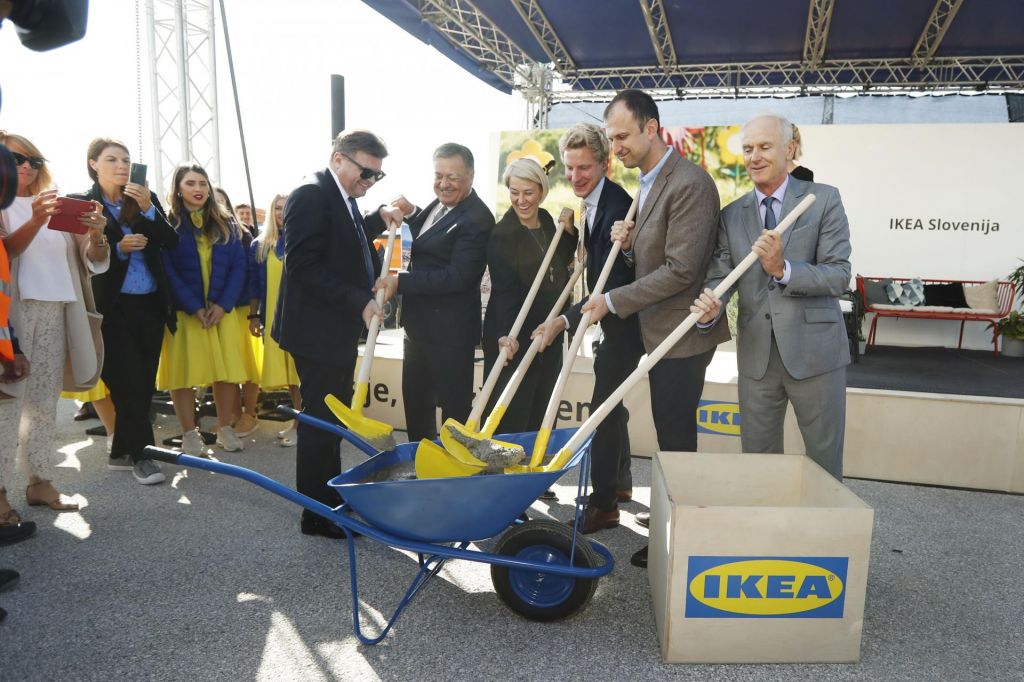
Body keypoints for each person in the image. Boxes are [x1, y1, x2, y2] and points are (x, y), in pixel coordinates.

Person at [581, 91, 729, 567]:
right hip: (651, 328)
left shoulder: (690, 183)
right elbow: (649, 259)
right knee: (662, 432)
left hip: (682, 332)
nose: (616, 146)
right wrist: (625, 249)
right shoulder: (646, 183)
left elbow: (682, 271)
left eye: (623, 136)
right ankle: (665, 518)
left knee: (676, 439)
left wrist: (612, 300)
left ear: (652, 128)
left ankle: (681, 539)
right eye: (611, 137)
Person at [691, 113, 851, 480]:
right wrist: (709, 309)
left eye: (764, 147)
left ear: (789, 149)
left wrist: (784, 270)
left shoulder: (823, 199)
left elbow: (839, 275)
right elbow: (720, 278)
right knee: (759, 464)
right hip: (756, 360)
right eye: (748, 149)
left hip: (816, 355)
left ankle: (819, 536)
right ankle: (767, 537)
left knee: (824, 461)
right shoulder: (731, 216)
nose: (754, 157)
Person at [273, 129, 393, 539]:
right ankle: (318, 514)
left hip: (332, 330)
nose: (370, 181)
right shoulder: (310, 193)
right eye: (365, 172)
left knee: (330, 419)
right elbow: (304, 266)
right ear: (338, 158)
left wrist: (379, 216)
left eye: (377, 175)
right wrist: (357, 301)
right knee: (321, 422)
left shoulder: (337, 195)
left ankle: (331, 502)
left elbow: (345, 234)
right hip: (317, 331)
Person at [533, 122, 644, 533]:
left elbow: (614, 283)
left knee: (602, 408)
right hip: (605, 314)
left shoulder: (617, 205)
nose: (576, 177)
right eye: (570, 168)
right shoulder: (590, 203)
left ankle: (604, 506)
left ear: (604, 163)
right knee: (612, 404)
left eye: (585, 168)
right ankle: (621, 485)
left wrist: (562, 320)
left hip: (623, 318)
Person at [0, 132, 110, 514]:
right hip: (11, 314)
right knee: (6, 404)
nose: (27, 167)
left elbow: (91, 258)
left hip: (57, 308)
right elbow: (6, 251)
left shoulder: (55, 203)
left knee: (44, 403)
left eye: (34, 160)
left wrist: (96, 232)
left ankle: (41, 480)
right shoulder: (5, 206)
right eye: (16, 159)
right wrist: (34, 221)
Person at [67, 137, 179, 485]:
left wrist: (148, 210)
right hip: (110, 308)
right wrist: (117, 247)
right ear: (93, 164)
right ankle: (145, 456)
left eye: (127, 160)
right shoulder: (82, 203)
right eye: (112, 159)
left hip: (151, 305)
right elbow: (78, 257)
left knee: (144, 382)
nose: (122, 166)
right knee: (128, 381)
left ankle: (121, 451)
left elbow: (170, 241)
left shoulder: (144, 199)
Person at [369, 143, 493, 442]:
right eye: (439, 175)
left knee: (453, 410)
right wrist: (411, 212)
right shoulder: (439, 204)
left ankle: (453, 475)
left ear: (471, 176)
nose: (444, 183)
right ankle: (419, 465)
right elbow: (432, 236)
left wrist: (401, 283)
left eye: (453, 176)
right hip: (418, 327)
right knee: (416, 403)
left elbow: (458, 277)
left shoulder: (477, 218)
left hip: (450, 332)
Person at [157, 163, 254, 455]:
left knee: (225, 373)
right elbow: (168, 271)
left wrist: (223, 306)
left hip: (221, 312)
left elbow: (240, 267)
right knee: (183, 374)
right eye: (190, 183)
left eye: (202, 183)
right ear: (177, 188)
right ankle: (189, 434)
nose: (198, 189)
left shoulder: (228, 223)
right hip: (187, 314)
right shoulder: (168, 224)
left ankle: (225, 429)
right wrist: (194, 306)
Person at [481, 158, 575, 433]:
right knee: (513, 414)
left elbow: (561, 257)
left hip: (549, 329)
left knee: (542, 408)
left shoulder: (547, 221)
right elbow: (505, 292)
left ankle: (534, 471)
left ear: (541, 192)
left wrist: (569, 230)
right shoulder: (503, 235)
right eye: (514, 192)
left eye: (528, 193)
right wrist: (506, 335)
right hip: (515, 334)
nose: (521, 201)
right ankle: (506, 473)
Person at [248, 193, 300, 446]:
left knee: (302, 373)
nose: (281, 212)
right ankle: (299, 421)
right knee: (290, 377)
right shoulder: (260, 245)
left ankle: (304, 423)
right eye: (277, 207)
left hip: (301, 317)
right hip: (272, 318)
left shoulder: (302, 240)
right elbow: (256, 286)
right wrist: (254, 316)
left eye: (286, 207)